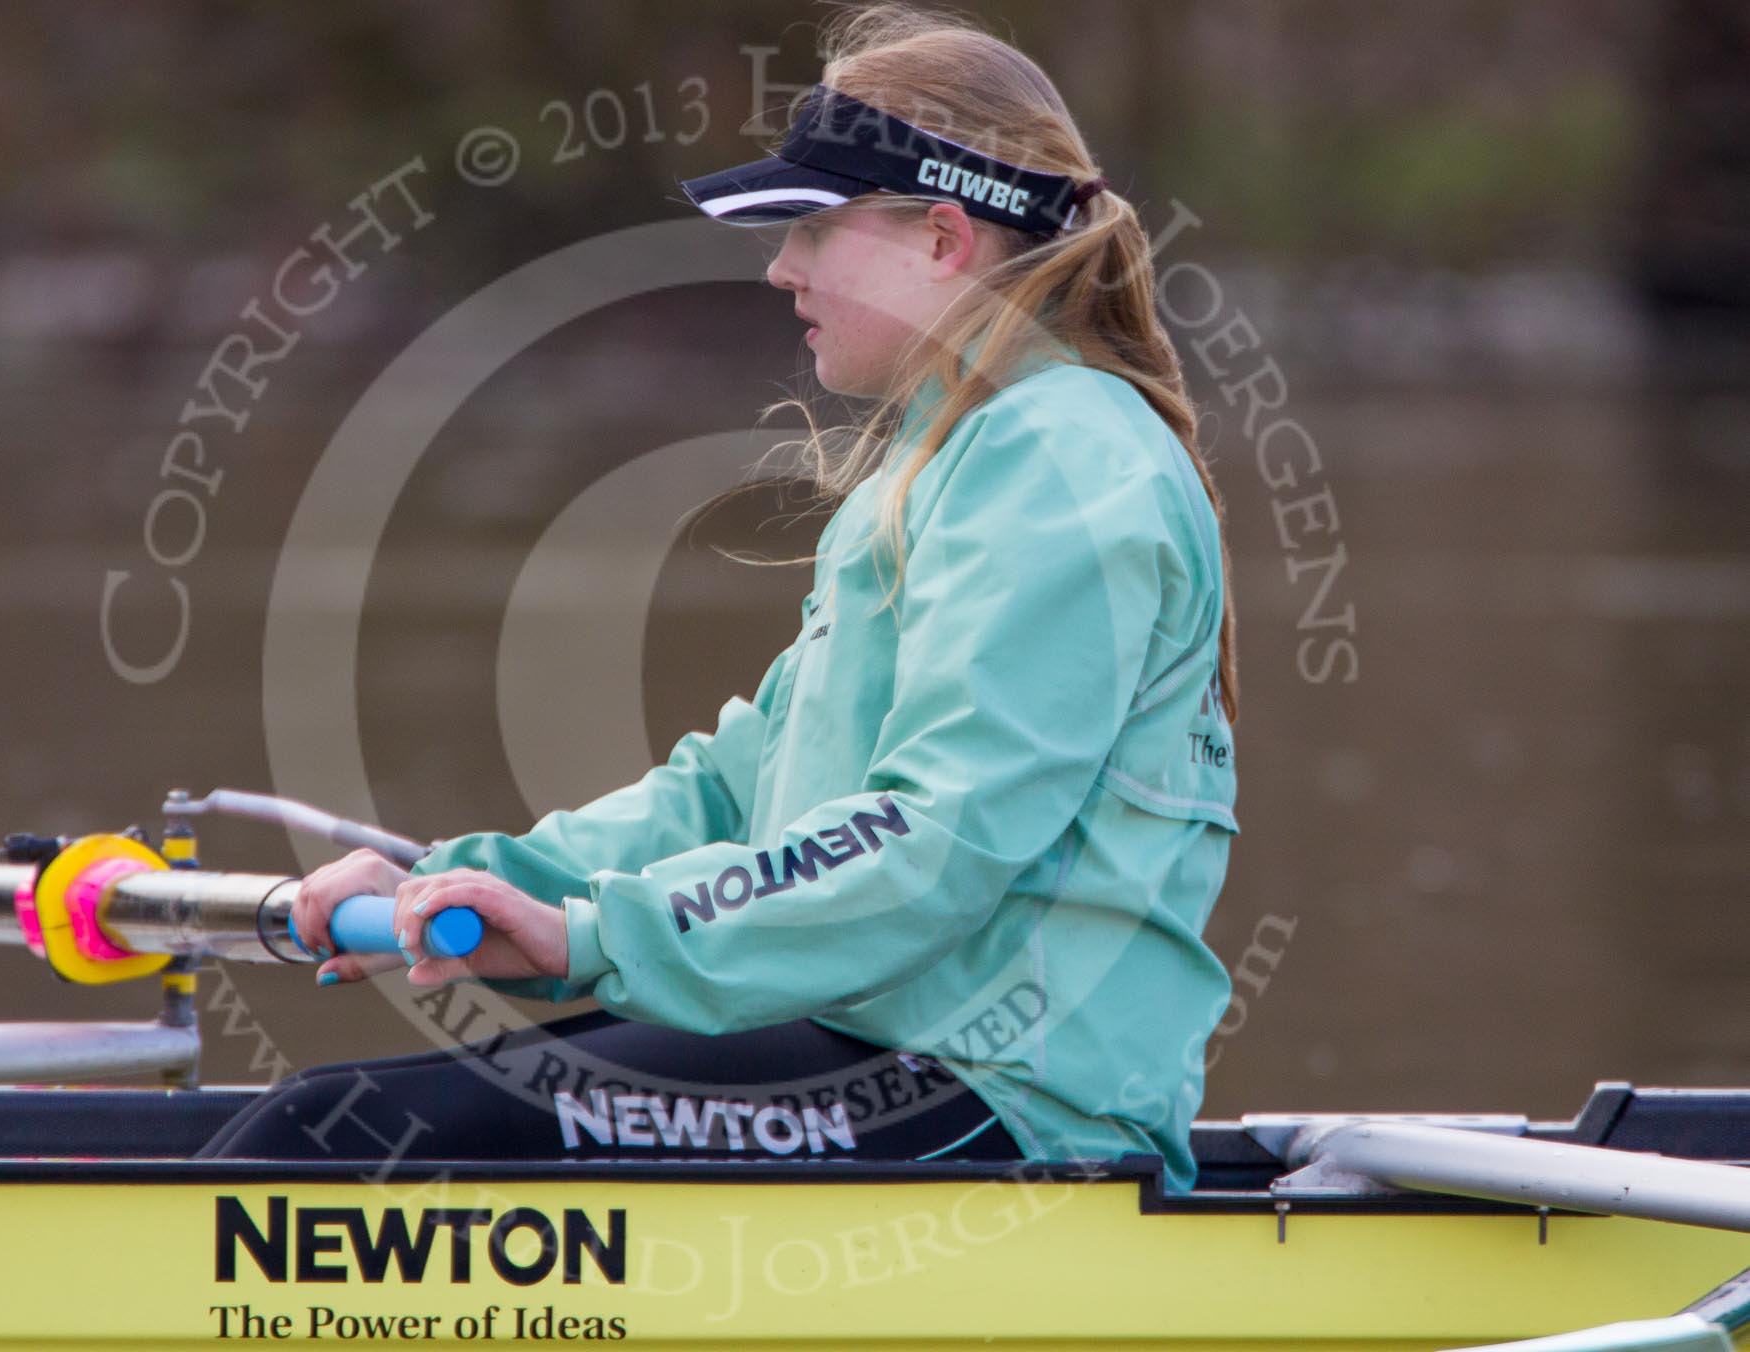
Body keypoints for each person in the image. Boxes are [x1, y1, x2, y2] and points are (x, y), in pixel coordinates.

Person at [200, 3, 1240, 1191]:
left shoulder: (1057, 467)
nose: (780, 266)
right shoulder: (961, 453)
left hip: (1005, 1104)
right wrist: (464, 877)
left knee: (325, 1144)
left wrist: (598, 937)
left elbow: (932, 840)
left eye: (812, 228)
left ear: (945, 238)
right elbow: (739, 782)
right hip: (883, 1051)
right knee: (317, 1114)